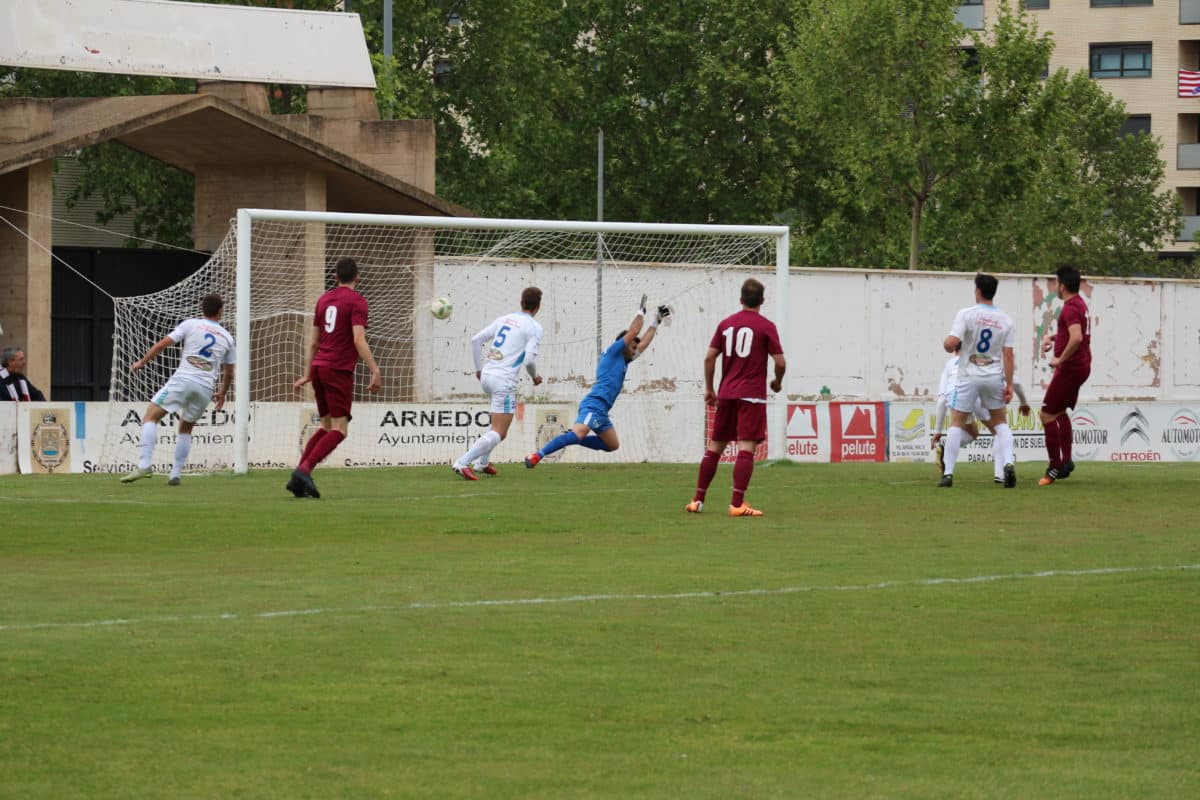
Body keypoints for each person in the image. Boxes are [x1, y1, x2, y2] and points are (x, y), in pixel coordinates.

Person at [525, 298, 669, 468]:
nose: (635, 349)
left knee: (612, 445)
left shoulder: (624, 360)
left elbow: (643, 344)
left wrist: (656, 321)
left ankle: (573, 438)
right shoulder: (613, 352)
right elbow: (635, 329)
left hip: (602, 411)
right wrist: (641, 312)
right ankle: (537, 455)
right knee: (578, 434)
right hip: (593, 405)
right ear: (624, 343)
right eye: (632, 345)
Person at [685, 278, 786, 517]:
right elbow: (780, 361)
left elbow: (709, 358)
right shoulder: (765, 326)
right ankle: (737, 504)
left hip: (727, 393)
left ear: (741, 300)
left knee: (715, 447)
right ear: (762, 300)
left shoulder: (726, 324)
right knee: (747, 447)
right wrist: (777, 382)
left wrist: (710, 389)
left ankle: (697, 500)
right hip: (751, 395)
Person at [288, 256, 381, 498]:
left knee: (327, 425)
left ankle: (299, 476)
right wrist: (374, 369)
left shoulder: (323, 300)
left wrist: (308, 374)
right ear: (357, 277)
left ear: (336, 277)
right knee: (340, 430)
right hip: (337, 369)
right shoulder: (357, 301)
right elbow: (358, 339)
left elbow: (314, 342)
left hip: (319, 367)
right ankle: (304, 470)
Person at [121, 293, 235, 486]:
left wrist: (142, 362)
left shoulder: (191, 324)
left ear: (202, 309)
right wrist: (222, 393)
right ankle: (175, 474)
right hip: (206, 388)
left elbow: (162, 344)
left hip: (183, 380)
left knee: (150, 417)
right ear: (220, 311)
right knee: (186, 428)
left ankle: (145, 464)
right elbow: (230, 372)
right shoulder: (227, 337)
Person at [452, 287, 544, 480]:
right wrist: (535, 377)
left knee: (496, 427)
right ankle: (462, 462)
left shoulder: (504, 319)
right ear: (538, 307)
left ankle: (483, 463)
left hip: (487, 375)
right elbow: (528, 360)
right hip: (504, 381)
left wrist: (478, 369)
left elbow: (476, 340)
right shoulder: (534, 327)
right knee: (500, 432)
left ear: (521, 302)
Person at [938, 273, 1016, 488]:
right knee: (1000, 422)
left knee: (957, 422)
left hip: (969, 375)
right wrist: (1009, 385)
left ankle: (948, 474)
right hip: (992, 375)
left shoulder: (966, 314)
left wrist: (947, 343)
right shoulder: (1006, 320)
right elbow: (1008, 355)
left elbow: (952, 342)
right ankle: (1009, 463)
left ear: (978, 291)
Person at [931, 353, 1031, 484]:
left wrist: (937, 430)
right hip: (979, 393)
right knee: (998, 429)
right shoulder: (988, 356)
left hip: (958, 394)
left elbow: (942, 399)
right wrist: (1023, 402)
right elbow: (1015, 382)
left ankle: (948, 472)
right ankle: (1001, 473)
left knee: (965, 429)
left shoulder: (950, 364)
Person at [1038, 265, 1091, 486]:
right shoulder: (1079, 303)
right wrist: (1053, 337)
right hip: (1081, 367)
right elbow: (1072, 332)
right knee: (1059, 412)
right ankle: (1066, 461)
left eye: (1057, 283)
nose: (1056, 287)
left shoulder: (1069, 307)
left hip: (1070, 369)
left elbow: (1076, 337)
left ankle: (1055, 466)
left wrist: (1060, 359)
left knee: (1046, 414)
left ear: (1063, 285)